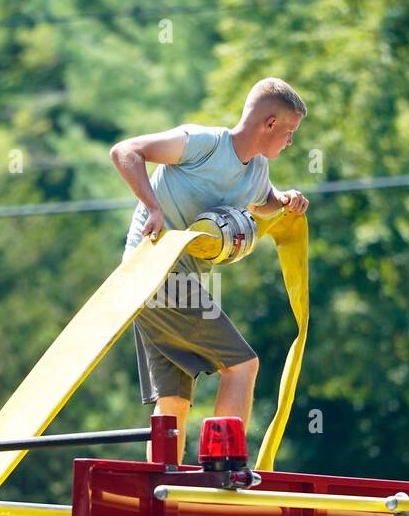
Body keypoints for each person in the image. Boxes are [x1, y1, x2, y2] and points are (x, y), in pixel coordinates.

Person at [109, 77, 310, 463]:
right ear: (269, 124)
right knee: (242, 365)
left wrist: (286, 200)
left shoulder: (258, 171)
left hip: (172, 283)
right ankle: (223, 469)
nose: (290, 142)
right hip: (154, 272)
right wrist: (153, 207)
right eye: (289, 133)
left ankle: (159, 485)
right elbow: (126, 151)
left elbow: (264, 202)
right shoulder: (203, 144)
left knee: (174, 400)